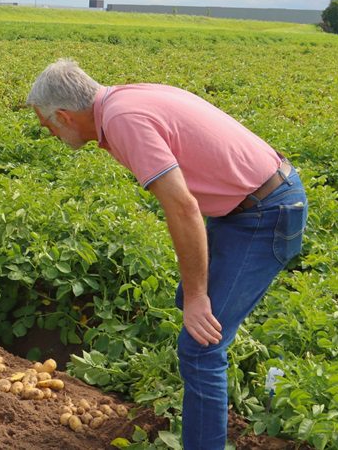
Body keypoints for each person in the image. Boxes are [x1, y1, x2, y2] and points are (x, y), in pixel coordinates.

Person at [26, 59, 307, 449]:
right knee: (193, 309)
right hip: (248, 205)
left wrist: (197, 297)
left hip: (265, 213)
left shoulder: (124, 120)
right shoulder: (122, 102)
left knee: (200, 345)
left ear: (64, 116)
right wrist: (191, 294)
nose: (49, 133)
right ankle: (201, 413)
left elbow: (183, 207)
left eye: (47, 125)